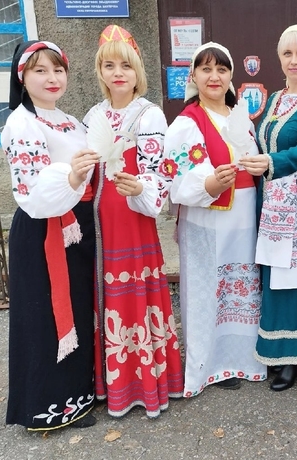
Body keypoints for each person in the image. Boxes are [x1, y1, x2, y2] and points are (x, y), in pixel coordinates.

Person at [84, 25, 183, 418]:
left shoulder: (149, 114)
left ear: (137, 69)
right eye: (109, 65)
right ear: (100, 71)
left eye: (125, 65)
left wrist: (139, 187)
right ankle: (112, 386)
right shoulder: (92, 116)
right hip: (100, 223)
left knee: (136, 296)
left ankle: (146, 385)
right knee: (105, 296)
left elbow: (159, 175)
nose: (118, 72)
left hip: (133, 218)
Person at [2, 41, 99, 430]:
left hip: (77, 227)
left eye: (58, 70)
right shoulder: (21, 124)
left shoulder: (71, 120)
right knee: (46, 316)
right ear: (22, 77)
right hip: (44, 227)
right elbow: (32, 192)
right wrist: (72, 177)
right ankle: (47, 406)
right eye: (40, 70)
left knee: (77, 308)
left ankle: (78, 396)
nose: (51, 78)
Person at [161, 42, 267, 397]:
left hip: (243, 217)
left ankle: (244, 358)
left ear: (230, 76)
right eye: (206, 69)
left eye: (221, 69)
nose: (214, 76)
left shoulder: (241, 118)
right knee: (208, 288)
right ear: (193, 75)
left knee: (242, 286)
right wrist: (210, 183)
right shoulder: (186, 123)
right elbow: (177, 178)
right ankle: (208, 366)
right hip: (206, 220)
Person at [239, 25, 297, 391]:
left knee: (296, 276)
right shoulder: (276, 98)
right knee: (274, 272)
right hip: (271, 195)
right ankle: (275, 347)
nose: (294, 60)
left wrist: (270, 163)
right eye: (287, 54)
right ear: (279, 59)